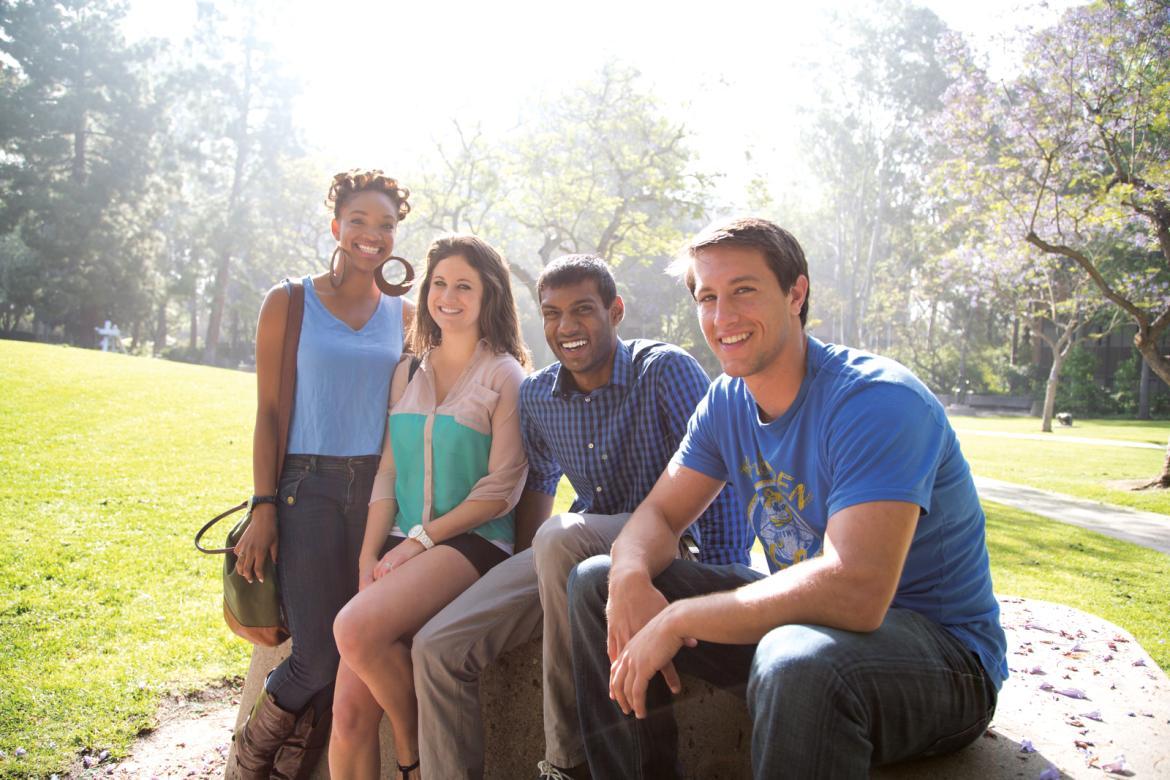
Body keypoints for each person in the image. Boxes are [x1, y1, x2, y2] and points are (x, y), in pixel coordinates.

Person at [569, 217, 1009, 778]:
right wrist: (630, 576)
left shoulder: (875, 401)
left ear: (795, 293)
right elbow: (658, 514)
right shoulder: (726, 401)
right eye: (708, 297)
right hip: (806, 627)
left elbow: (855, 592)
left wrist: (679, 620)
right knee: (597, 582)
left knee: (797, 659)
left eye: (743, 291)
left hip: (940, 660)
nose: (722, 317)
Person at [411, 254, 751, 780]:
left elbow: (721, 475)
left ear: (615, 311)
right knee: (438, 648)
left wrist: (721, 585)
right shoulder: (539, 395)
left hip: (669, 548)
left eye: (583, 310)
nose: (566, 327)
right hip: (569, 552)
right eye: (552, 313)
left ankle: (565, 761)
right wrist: (520, 581)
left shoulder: (663, 370)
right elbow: (539, 488)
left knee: (559, 538)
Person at [231, 169, 415, 778]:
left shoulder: (406, 315)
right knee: (315, 654)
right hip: (302, 488)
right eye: (359, 221)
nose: (372, 234)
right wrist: (263, 504)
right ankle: (251, 759)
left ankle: (289, 768)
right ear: (336, 227)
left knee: (350, 649)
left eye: (385, 224)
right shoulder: (289, 300)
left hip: (375, 495)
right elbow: (269, 410)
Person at [328, 234, 531, 780]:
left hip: (472, 540)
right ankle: (409, 745)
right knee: (346, 716)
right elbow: (388, 473)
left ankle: (411, 748)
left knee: (351, 630)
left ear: (490, 296)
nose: (448, 295)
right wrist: (370, 555)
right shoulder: (408, 371)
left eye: (464, 285)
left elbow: (502, 488)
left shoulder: (505, 375)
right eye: (439, 283)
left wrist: (421, 540)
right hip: (401, 541)